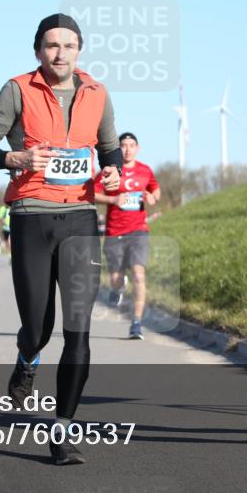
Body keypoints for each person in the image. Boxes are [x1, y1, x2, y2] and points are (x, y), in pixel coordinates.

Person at [0, 13, 122, 465]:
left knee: (78, 330)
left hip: (79, 217)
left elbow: (108, 147)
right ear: (38, 51)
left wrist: (111, 168)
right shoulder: (17, 89)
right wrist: (16, 156)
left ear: (80, 50)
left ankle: (63, 430)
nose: (60, 53)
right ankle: (27, 360)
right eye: (52, 45)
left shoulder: (98, 93)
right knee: (38, 329)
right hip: (32, 215)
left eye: (69, 45)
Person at [94, 132, 161, 340]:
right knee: (115, 279)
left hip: (139, 231)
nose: (128, 149)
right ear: (118, 149)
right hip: (114, 232)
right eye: (123, 145)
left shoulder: (145, 170)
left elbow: (155, 190)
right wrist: (113, 201)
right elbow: (92, 194)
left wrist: (152, 197)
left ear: (137, 148)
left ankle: (136, 323)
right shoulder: (110, 172)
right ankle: (118, 286)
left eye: (132, 145)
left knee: (139, 275)